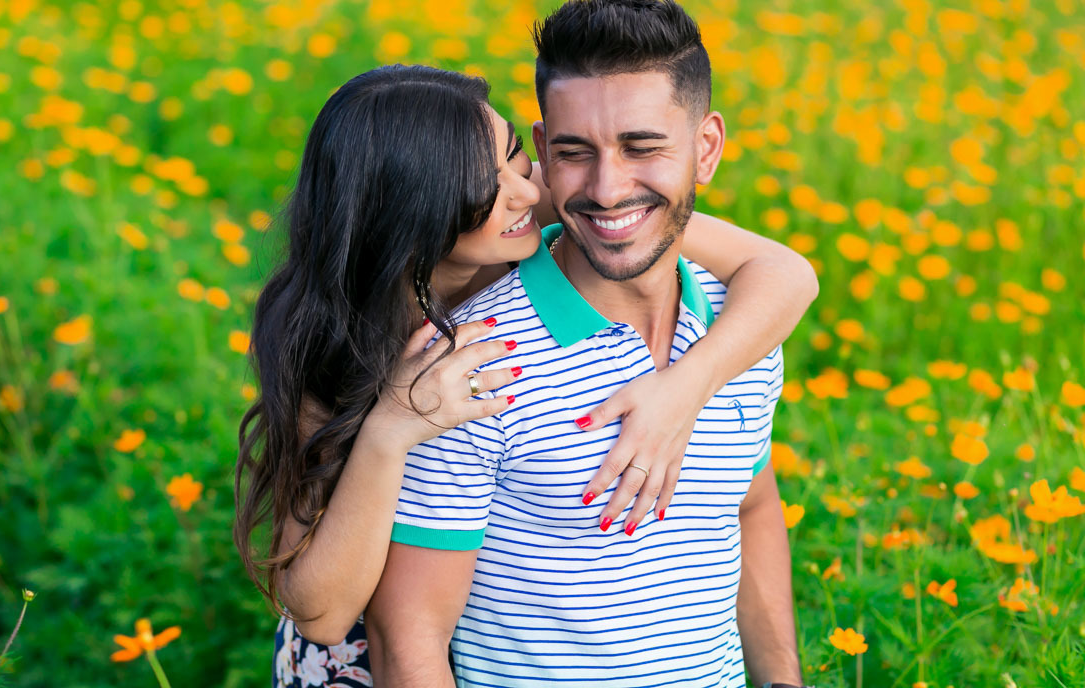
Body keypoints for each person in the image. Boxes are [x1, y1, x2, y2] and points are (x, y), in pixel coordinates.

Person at [233, 60, 816, 688]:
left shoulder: (555, 215)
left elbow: (785, 273)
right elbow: (321, 612)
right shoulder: (332, 334)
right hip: (361, 659)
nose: (528, 192)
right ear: (409, 207)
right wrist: (391, 428)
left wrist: (683, 387)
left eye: (517, 159)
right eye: (483, 183)